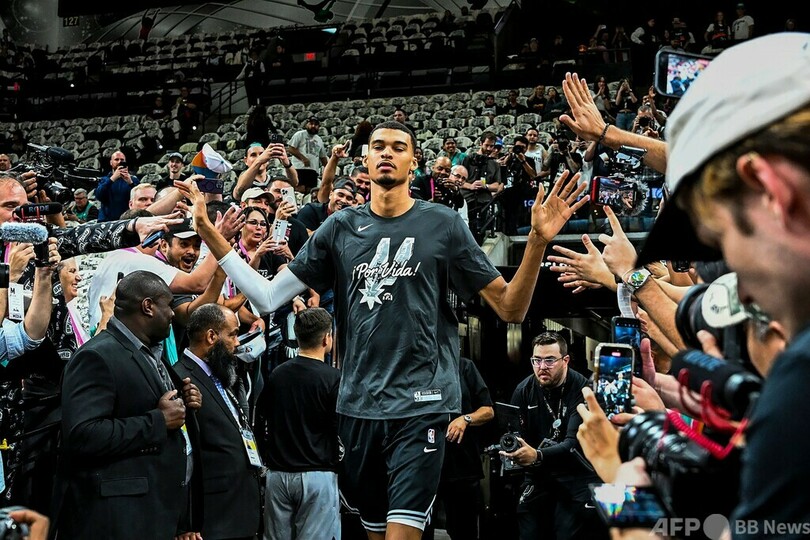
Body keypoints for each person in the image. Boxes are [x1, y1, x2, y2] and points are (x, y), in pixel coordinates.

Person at [175, 119, 588, 539]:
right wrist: (208, 232)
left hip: (422, 404)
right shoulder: (339, 227)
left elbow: (511, 308)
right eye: (378, 146)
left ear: (414, 161)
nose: (387, 152)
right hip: (358, 407)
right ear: (366, 159)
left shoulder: (443, 224)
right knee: (375, 532)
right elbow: (266, 298)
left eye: (398, 147)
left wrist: (536, 242)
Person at [619, 32, 810, 540]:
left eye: (723, 240)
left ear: (769, 191)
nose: (739, 293)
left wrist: (624, 502)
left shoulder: (803, 377)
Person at [56, 271, 203, 539]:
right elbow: (82, 435)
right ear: (148, 306)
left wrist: (184, 402)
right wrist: (158, 421)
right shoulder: (96, 356)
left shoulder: (152, 354)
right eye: (168, 305)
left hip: (156, 515)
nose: (173, 313)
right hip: (118, 521)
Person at [503, 332, 607, 540]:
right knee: (529, 531)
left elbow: (573, 444)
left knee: (567, 533)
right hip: (539, 474)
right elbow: (515, 435)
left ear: (565, 360)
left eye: (549, 360)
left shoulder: (584, 390)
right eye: (537, 360)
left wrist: (537, 455)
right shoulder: (523, 390)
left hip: (576, 473)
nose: (542, 367)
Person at [172, 304, 262, 540]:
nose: (237, 343)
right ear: (211, 336)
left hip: (239, 512)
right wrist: (185, 520)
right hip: (211, 520)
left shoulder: (220, 375)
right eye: (232, 334)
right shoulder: (180, 378)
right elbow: (180, 456)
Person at [262, 308, 341, 540]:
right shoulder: (333, 378)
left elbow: (262, 420)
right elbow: (341, 428)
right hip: (317, 475)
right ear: (327, 338)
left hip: (278, 475)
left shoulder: (277, 375)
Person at [425, 357, 493, 540]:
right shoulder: (417, 366)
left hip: (462, 464)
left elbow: (488, 410)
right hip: (425, 465)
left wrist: (466, 419)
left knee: (464, 530)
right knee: (421, 531)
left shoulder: (464, 366)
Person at [286, 117, 327, 193]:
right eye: (311, 124)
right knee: (299, 190)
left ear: (319, 127)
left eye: (316, 124)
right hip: (299, 168)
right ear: (306, 124)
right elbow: (291, 149)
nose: (313, 126)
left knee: (311, 192)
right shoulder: (299, 134)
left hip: (313, 170)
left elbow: (323, 157)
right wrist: (303, 158)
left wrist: (328, 168)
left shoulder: (319, 139)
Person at [95, 150, 139, 221]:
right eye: (116, 159)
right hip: (106, 220)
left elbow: (139, 197)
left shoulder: (133, 179)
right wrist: (112, 179)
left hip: (126, 219)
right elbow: (99, 196)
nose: (119, 162)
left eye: (122, 160)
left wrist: (130, 183)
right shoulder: (103, 179)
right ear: (111, 162)